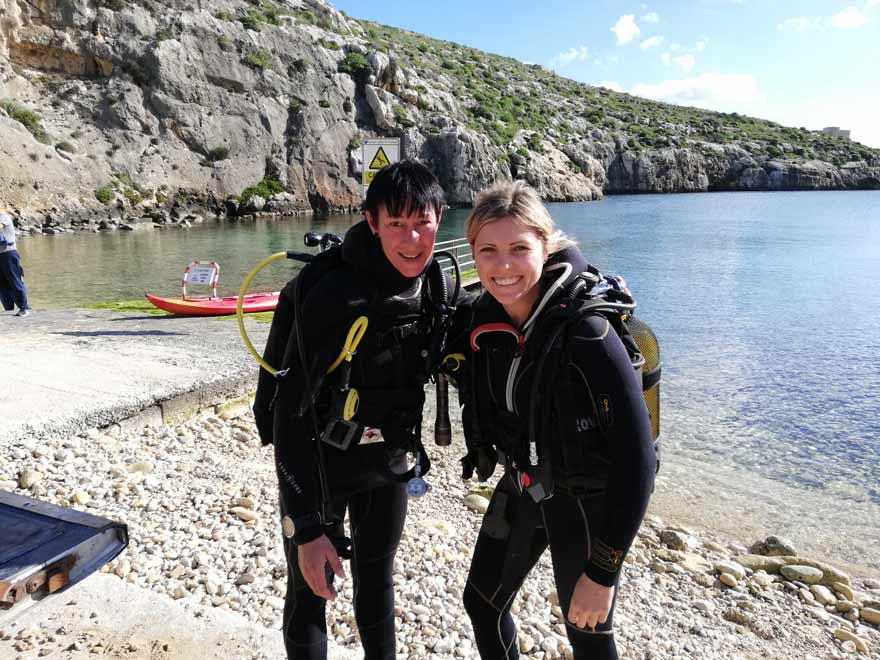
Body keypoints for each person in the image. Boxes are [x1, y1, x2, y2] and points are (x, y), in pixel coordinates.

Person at [253, 160, 459, 660]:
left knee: (377, 582)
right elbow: (289, 414)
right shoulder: (332, 296)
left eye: (422, 223)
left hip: (387, 462)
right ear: (371, 221)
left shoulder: (437, 288)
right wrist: (305, 527)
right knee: (309, 592)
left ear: (440, 218)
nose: (412, 240)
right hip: (319, 463)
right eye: (396, 224)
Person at [459, 181, 656, 660]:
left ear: (545, 248)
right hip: (527, 483)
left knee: (587, 631)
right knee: (483, 603)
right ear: (473, 254)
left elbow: (639, 462)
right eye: (488, 250)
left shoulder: (588, 333)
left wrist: (604, 572)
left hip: (588, 502)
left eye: (518, 249)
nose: (503, 267)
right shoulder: (486, 318)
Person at [0, 211, 31, 316]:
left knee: (14, 281)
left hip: (9, 254)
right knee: (2, 285)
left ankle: (24, 308)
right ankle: (9, 310)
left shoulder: (3, 217)